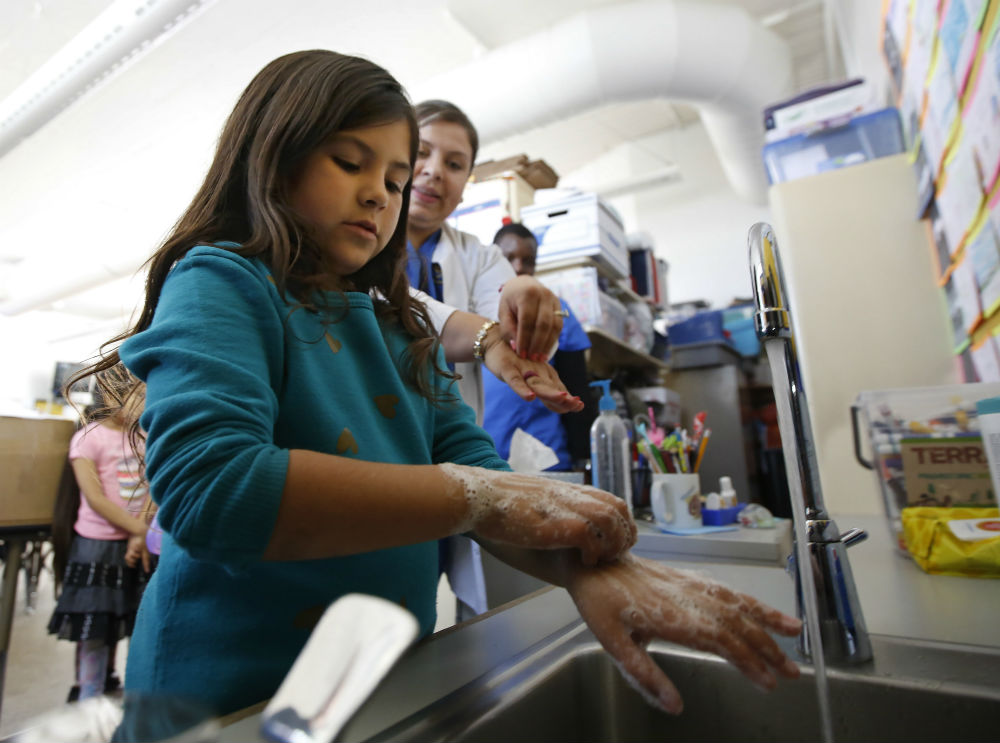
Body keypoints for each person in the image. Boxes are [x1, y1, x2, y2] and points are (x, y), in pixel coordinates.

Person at [75, 50, 798, 723]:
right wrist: (473, 494)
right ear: (274, 155)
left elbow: (483, 481)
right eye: (350, 162)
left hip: (377, 681)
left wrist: (587, 571)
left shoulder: (399, 327)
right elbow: (213, 490)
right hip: (224, 699)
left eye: (393, 180)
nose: (379, 194)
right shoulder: (221, 281)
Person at [406, 99, 573, 618]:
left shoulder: (477, 255)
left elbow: (498, 315)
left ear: (466, 180)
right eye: (421, 152)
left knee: (413, 617)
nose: (435, 171)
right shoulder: (357, 241)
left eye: (454, 164)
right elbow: (395, 312)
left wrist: (521, 292)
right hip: (369, 462)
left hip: (447, 467)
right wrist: (489, 339)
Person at [47, 378, 153, 702]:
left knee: (125, 617)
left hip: (137, 545)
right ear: (112, 396)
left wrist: (142, 532)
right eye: (140, 397)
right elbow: (95, 498)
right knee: (95, 625)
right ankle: (88, 695)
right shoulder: (88, 439)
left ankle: (110, 681)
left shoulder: (143, 437)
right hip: (98, 546)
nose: (146, 405)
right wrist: (140, 531)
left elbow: (153, 488)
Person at [483, 223, 597, 471]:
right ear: (492, 258)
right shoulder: (474, 312)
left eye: (528, 260)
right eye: (508, 258)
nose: (518, 268)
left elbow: (576, 390)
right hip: (482, 458)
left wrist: (583, 460)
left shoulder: (557, 313)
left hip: (546, 461)